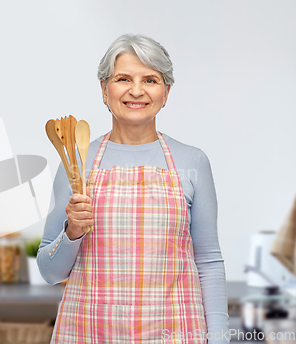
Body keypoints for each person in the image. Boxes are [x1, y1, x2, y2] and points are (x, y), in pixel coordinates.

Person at [37, 34, 229, 343]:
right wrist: (72, 231)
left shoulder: (192, 161)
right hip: (88, 331)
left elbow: (208, 261)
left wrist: (219, 338)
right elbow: (50, 272)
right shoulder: (76, 162)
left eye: (150, 80)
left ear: (166, 92)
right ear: (104, 89)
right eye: (123, 78)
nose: (136, 91)